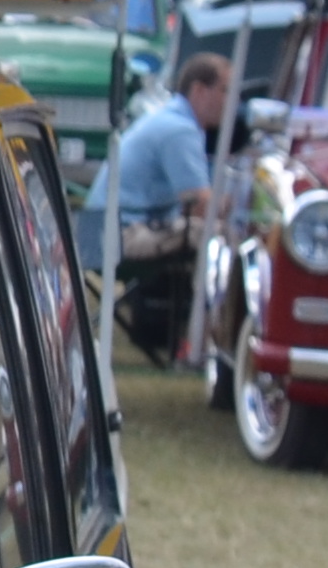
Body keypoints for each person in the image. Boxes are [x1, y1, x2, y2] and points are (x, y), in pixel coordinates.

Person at [99, 48, 232, 364]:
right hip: (117, 235)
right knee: (218, 237)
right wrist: (241, 203)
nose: (232, 101)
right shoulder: (179, 130)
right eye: (226, 91)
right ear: (200, 90)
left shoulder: (170, 119)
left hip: (101, 228)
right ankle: (202, 341)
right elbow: (201, 205)